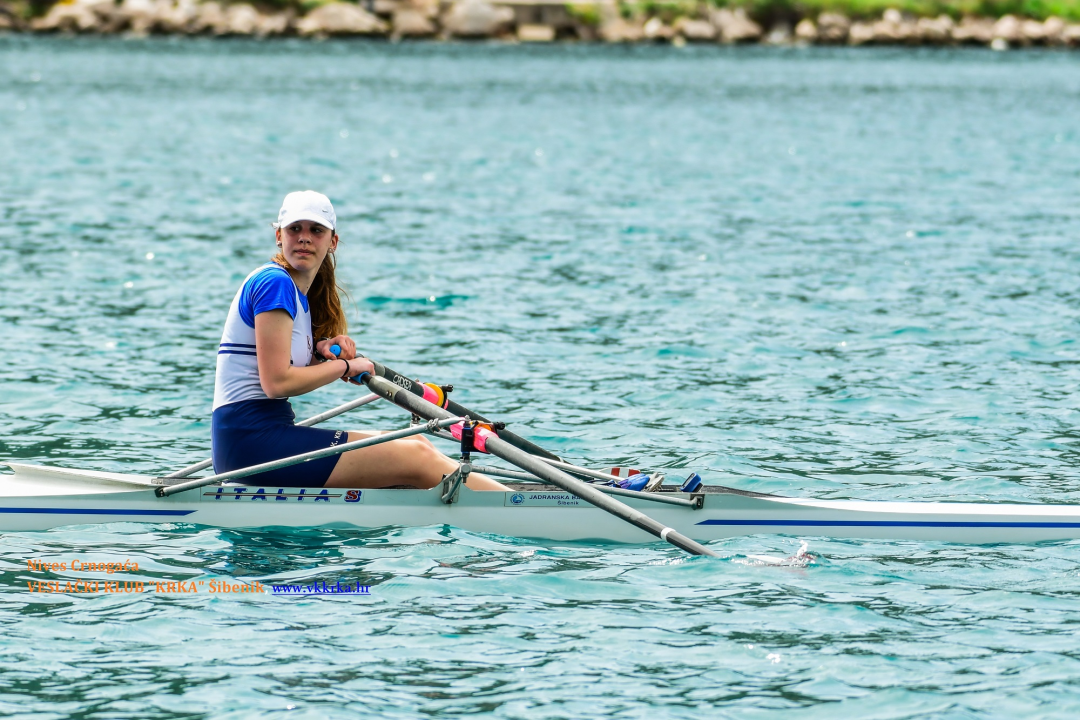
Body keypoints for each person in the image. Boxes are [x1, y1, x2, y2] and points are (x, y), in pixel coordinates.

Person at [211, 190, 509, 491]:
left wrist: (320, 354)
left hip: (262, 438)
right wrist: (344, 367)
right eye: (294, 229)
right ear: (279, 236)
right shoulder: (274, 283)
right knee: (417, 457)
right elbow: (276, 383)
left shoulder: (298, 297)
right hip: (251, 443)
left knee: (416, 441)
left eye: (316, 230)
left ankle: (467, 506)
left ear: (333, 242)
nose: (304, 238)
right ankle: (513, 506)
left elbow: (283, 365)